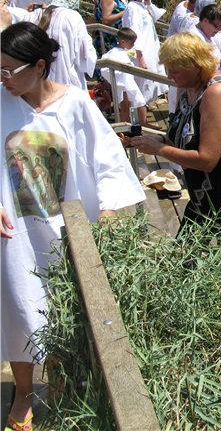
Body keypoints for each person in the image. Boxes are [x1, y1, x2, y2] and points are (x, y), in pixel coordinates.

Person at [1, 22, 144, 431]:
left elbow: (109, 163)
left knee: (67, 312)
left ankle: (65, 391)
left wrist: (110, 212)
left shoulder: (76, 105)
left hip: (71, 233)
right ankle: (24, 393)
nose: (3, 78)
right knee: (19, 308)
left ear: (39, 66)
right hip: (17, 233)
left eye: (10, 70)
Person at [127, 32, 221, 233]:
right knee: (186, 248)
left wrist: (158, 149)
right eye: (167, 69)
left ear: (195, 66)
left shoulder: (218, 92)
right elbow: (181, 136)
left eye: (174, 71)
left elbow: (206, 160)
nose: (169, 76)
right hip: (204, 192)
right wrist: (150, 140)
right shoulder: (189, 88)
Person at [120, 0, 168, 103]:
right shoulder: (132, 8)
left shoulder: (142, 5)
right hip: (142, 53)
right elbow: (133, 33)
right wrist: (140, 57)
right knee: (142, 89)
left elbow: (156, 15)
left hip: (151, 51)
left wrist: (149, 3)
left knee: (153, 84)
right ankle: (139, 113)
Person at [35, 0, 96, 90]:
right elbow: (85, 55)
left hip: (40, 81)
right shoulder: (73, 16)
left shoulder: (38, 14)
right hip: (66, 83)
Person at [99, 27, 147, 125]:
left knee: (129, 104)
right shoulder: (117, 53)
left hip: (123, 83)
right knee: (131, 104)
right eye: (131, 43)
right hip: (123, 83)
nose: (133, 45)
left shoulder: (118, 51)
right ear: (123, 42)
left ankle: (130, 124)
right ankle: (139, 124)